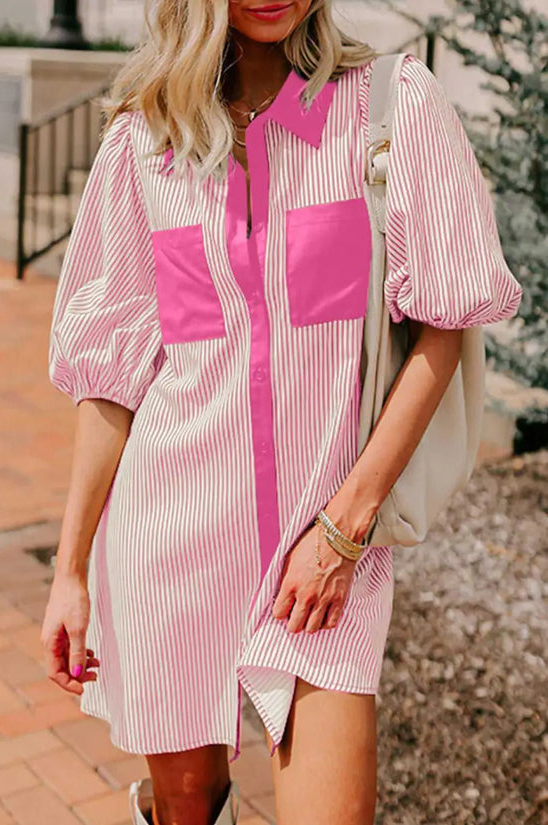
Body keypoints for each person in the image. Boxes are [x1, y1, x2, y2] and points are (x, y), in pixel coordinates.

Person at [40, 1, 523, 824]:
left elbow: (443, 325)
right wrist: (71, 570)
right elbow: (114, 376)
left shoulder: (391, 110)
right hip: (170, 541)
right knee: (187, 809)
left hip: (327, 551)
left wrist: (343, 529)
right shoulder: (144, 141)